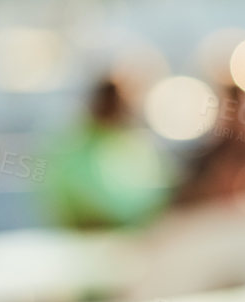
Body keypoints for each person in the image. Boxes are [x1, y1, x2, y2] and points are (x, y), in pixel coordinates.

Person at [39, 76, 169, 230]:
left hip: (130, 235)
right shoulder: (75, 145)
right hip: (90, 234)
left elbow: (153, 196)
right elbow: (70, 197)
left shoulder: (136, 146)